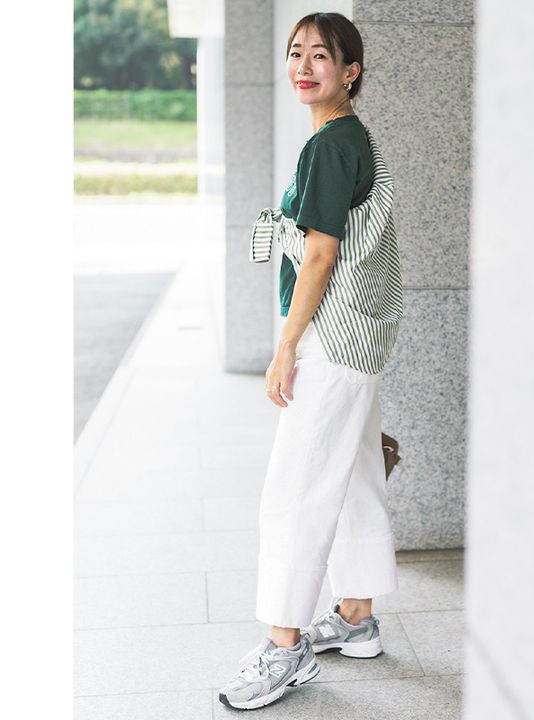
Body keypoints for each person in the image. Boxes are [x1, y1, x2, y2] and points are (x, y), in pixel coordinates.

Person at [219, 12, 404, 711]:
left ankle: (285, 646)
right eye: (295, 52)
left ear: (350, 71)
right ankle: (355, 618)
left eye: (320, 55)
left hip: (331, 339)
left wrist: (286, 346)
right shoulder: (351, 137)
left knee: (295, 489)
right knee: (353, 477)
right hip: (360, 339)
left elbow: (321, 255)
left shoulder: (331, 145)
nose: (303, 65)